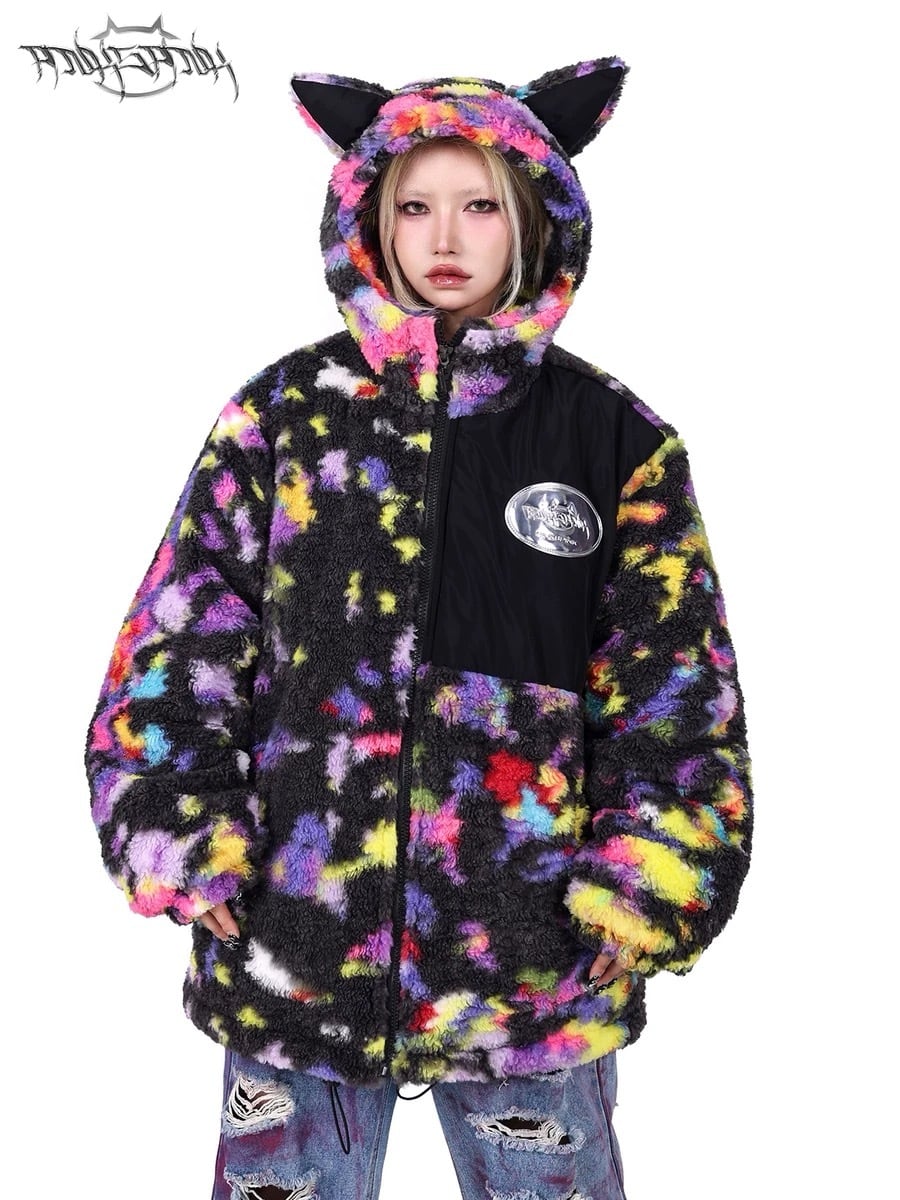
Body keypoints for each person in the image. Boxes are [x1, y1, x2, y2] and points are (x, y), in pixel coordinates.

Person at [84, 57, 754, 1200]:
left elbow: (674, 693)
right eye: (414, 206)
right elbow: (176, 650)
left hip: (531, 975)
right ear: (368, 219)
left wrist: (647, 882)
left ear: (534, 216)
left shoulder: (614, 442)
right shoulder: (282, 421)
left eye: (481, 204)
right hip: (294, 953)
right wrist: (185, 840)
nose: (445, 237)